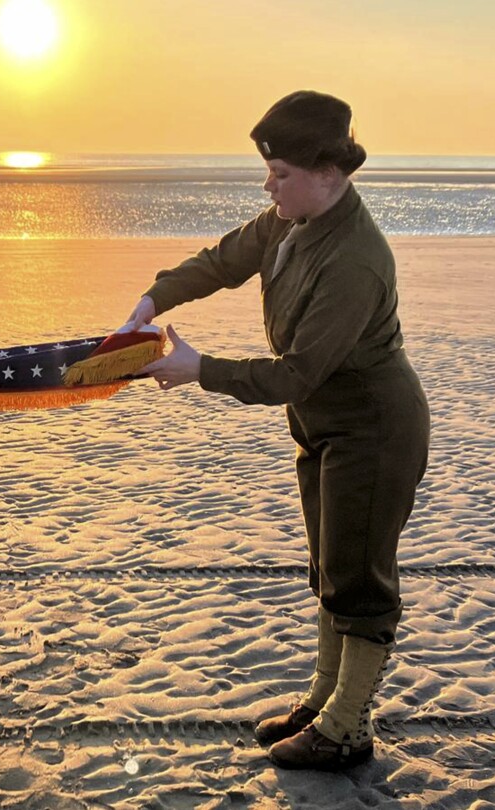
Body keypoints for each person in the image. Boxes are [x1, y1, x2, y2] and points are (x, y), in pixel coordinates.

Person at [120, 91, 429, 772]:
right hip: (323, 427)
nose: (269, 184)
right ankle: (324, 701)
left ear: (329, 171)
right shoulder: (292, 220)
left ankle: (348, 728)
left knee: (360, 579)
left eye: (281, 172)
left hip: (373, 429)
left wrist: (199, 368)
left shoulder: (355, 258)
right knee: (329, 566)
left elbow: (296, 374)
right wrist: (153, 299)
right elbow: (225, 259)